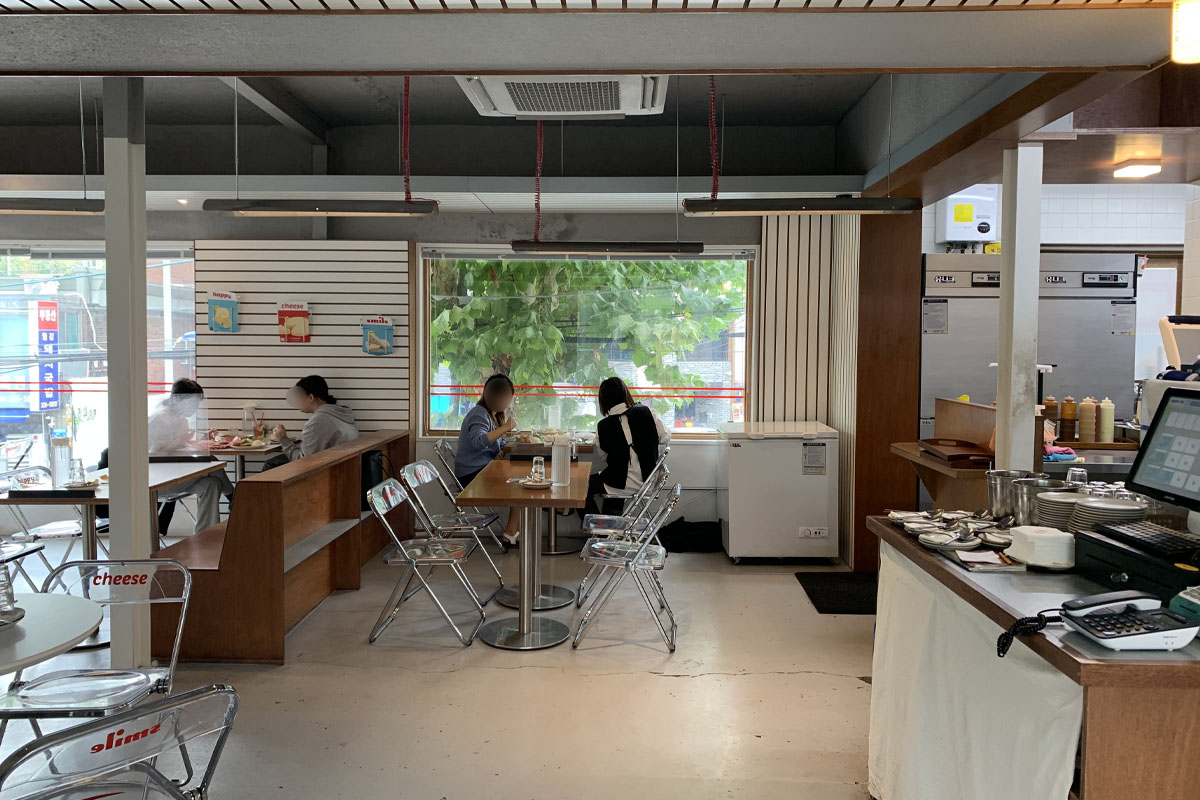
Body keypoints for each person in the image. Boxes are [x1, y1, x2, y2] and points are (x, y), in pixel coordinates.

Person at [147, 378, 234, 534]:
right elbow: (151, 457)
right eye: (192, 403)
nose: (195, 408)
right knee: (211, 463)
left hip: (175, 473)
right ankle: (234, 498)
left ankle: (205, 536)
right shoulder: (158, 419)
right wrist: (180, 442)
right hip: (158, 481)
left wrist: (198, 442)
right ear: (176, 399)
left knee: (211, 484)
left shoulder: (180, 420)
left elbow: (179, 450)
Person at [582, 376, 670, 518]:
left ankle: (600, 530)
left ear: (603, 401)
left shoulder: (603, 426)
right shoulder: (647, 412)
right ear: (625, 393)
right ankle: (610, 531)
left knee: (581, 488)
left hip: (618, 482)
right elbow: (665, 437)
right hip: (648, 481)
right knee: (613, 487)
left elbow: (604, 456)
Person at [455, 373, 520, 544]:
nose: (508, 403)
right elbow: (479, 442)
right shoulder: (479, 414)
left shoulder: (490, 414)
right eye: (508, 398)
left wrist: (512, 440)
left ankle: (512, 532)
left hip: (482, 471)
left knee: (521, 479)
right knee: (521, 485)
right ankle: (511, 533)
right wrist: (505, 427)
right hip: (472, 477)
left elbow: (495, 442)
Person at [270, 375, 360, 463]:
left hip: (329, 472)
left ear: (310, 397)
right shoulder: (338, 414)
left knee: (270, 464)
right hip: (344, 466)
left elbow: (303, 462)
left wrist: (283, 439)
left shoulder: (318, 422)